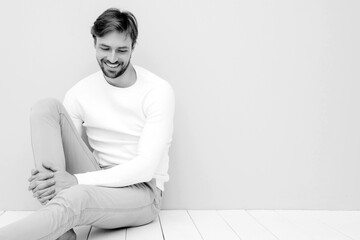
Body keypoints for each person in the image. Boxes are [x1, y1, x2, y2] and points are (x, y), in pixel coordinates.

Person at [0, 8, 174, 240]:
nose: (112, 58)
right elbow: (59, 149)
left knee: (76, 198)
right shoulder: (80, 92)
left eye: (122, 50)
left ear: (133, 47)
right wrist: (50, 180)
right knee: (45, 108)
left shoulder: (158, 91)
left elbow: (145, 168)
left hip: (142, 191)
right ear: (94, 43)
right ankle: (63, 232)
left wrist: (76, 181)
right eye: (105, 48)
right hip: (96, 175)